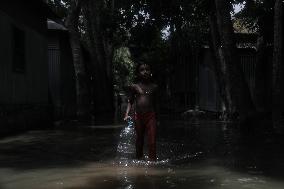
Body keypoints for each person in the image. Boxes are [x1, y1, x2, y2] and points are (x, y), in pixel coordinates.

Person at [124, 62, 158, 161]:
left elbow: (156, 104)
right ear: (138, 73)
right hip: (138, 116)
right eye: (142, 70)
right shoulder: (135, 87)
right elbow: (130, 101)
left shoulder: (154, 87)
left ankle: (153, 161)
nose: (145, 72)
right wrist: (127, 114)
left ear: (150, 72)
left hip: (151, 116)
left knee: (152, 141)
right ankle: (138, 159)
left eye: (147, 69)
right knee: (140, 139)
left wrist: (158, 119)